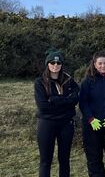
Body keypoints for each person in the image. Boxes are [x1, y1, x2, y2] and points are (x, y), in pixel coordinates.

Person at [34, 49, 79, 177]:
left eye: (58, 63)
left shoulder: (69, 81)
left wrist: (55, 100)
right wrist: (66, 103)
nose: (55, 65)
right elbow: (43, 106)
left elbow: (75, 99)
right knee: (45, 161)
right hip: (46, 124)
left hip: (66, 124)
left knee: (64, 160)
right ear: (47, 64)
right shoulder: (40, 82)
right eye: (52, 63)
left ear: (62, 64)